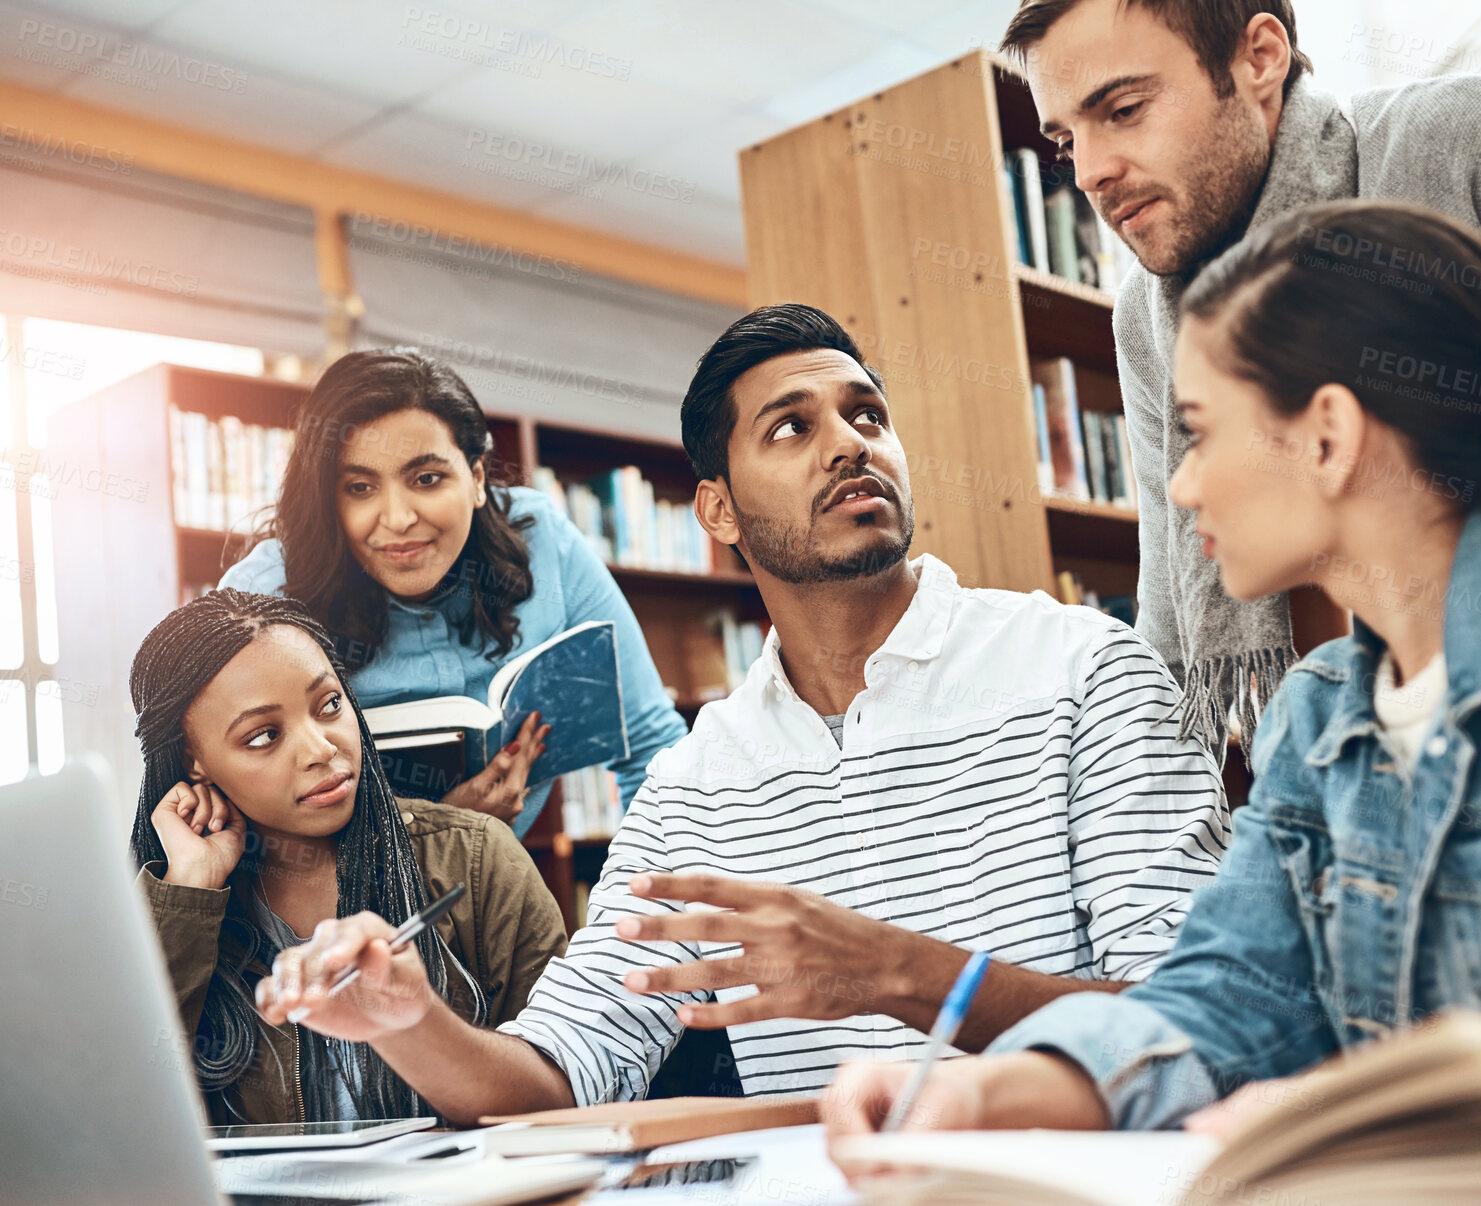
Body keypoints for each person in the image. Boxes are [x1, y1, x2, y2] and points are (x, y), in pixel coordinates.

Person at [246, 303, 1229, 1121]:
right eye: (792, 428)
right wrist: (406, 1018)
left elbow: (1208, 1022)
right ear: (716, 512)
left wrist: (897, 972)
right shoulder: (694, 791)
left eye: (868, 416)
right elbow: (556, 1077)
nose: (850, 443)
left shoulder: (1084, 668)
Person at [823, 201, 1481, 1140]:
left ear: (1328, 436)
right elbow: (1231, 996)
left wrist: (1440, 1083)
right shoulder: (1319, 716)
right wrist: (994, 1089)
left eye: (1201, 432)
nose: (1181, 485)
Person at [999, 0, 1481, 758]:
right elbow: (1172, 630)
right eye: (1065, 140)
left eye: (1124, 109)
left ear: (1260, 58)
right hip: (1346, 766)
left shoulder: (1465, 144)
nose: (1088, 172)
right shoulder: (1146, 318)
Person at [129, 589, 567, 1124]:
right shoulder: (167, 907)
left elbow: (562, 1090)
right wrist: (191, 891)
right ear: (195, 762)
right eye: (264, 735)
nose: (321, 749)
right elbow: (122, 1121)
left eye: (329, 705)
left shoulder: (478, 862)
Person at [218, 348, 686, 837]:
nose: (398, 520)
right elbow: (229, 816)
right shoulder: (263, 594)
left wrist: (641, 899)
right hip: (331, 910)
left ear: (477, 478)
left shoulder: (543, 539)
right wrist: (443, 834)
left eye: (426, 479)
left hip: (500, 897)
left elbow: (655, 747)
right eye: (359, 487)